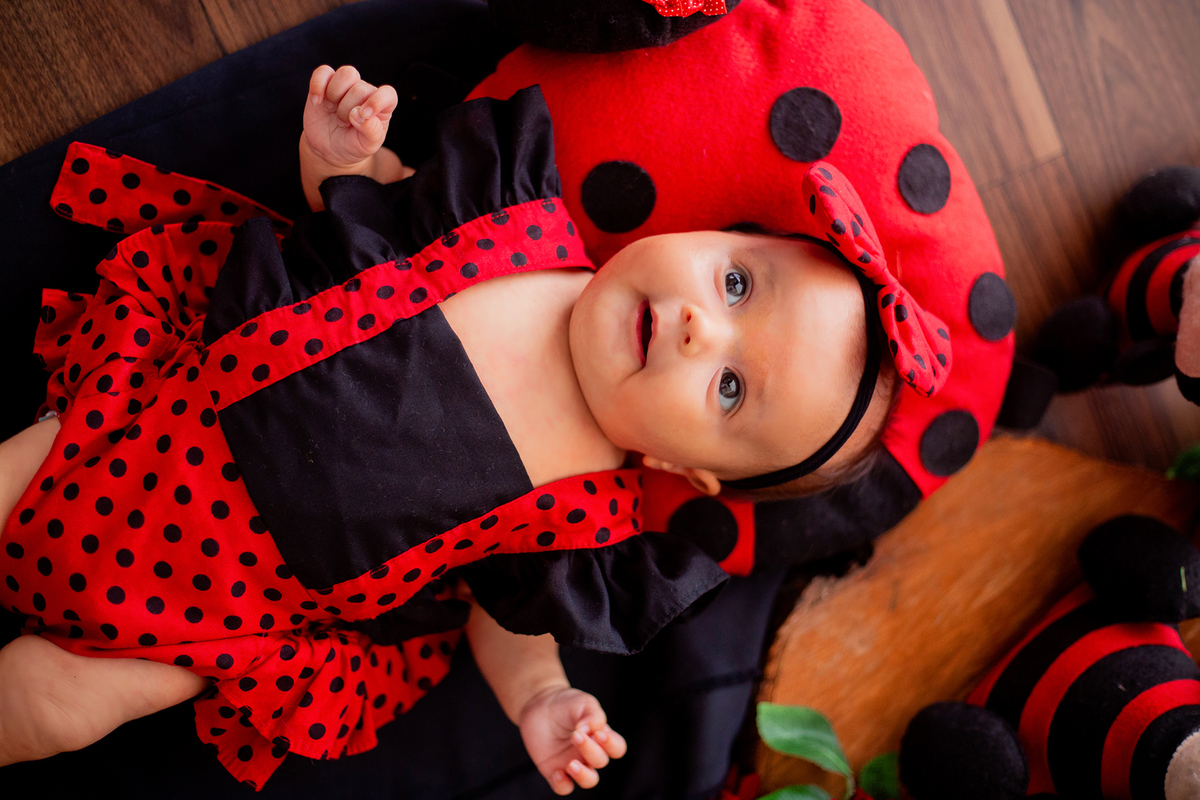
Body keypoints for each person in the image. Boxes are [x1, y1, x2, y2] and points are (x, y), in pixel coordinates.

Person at [0, 63, 935, 792]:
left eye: (730, 390)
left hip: (215, 612)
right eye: (735, 284)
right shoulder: (511, 221)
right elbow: (358, 219)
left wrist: (542, 701)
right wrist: (340, 150)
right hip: (147, 427)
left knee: (58, 704)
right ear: (703, 235)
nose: (702, 327)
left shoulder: (586, 522)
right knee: (17, 473)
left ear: (681, 468)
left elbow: (508, 622)